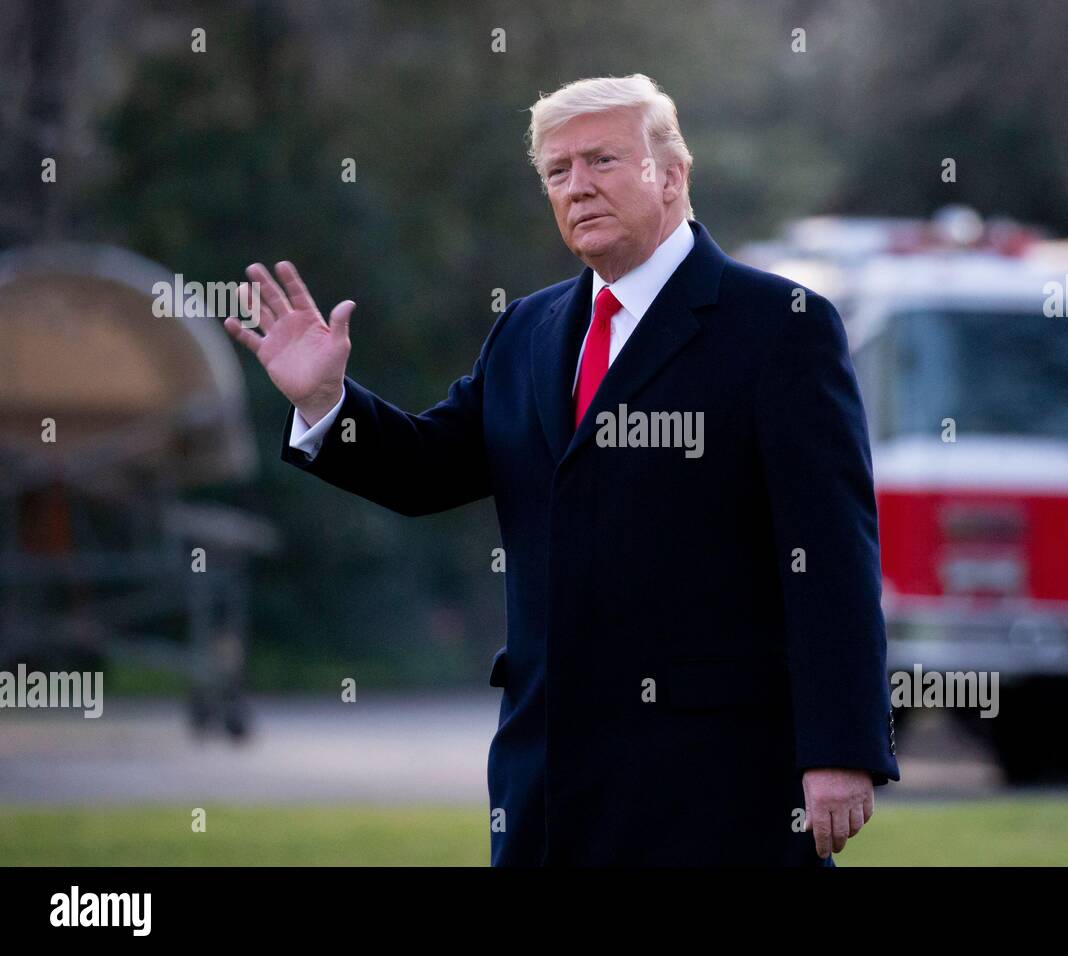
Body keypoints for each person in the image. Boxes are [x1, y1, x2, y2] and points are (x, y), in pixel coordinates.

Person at [223, 73, 898, 866]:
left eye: (602, 161)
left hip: (718, 783)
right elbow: (425, 470)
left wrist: (840, 748)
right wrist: (326, 403)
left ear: (671, 175)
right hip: (546, 784)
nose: (577, 186)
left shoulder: (781, 328)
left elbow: (831, 552)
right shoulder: (527, 328)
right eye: (556, 171)